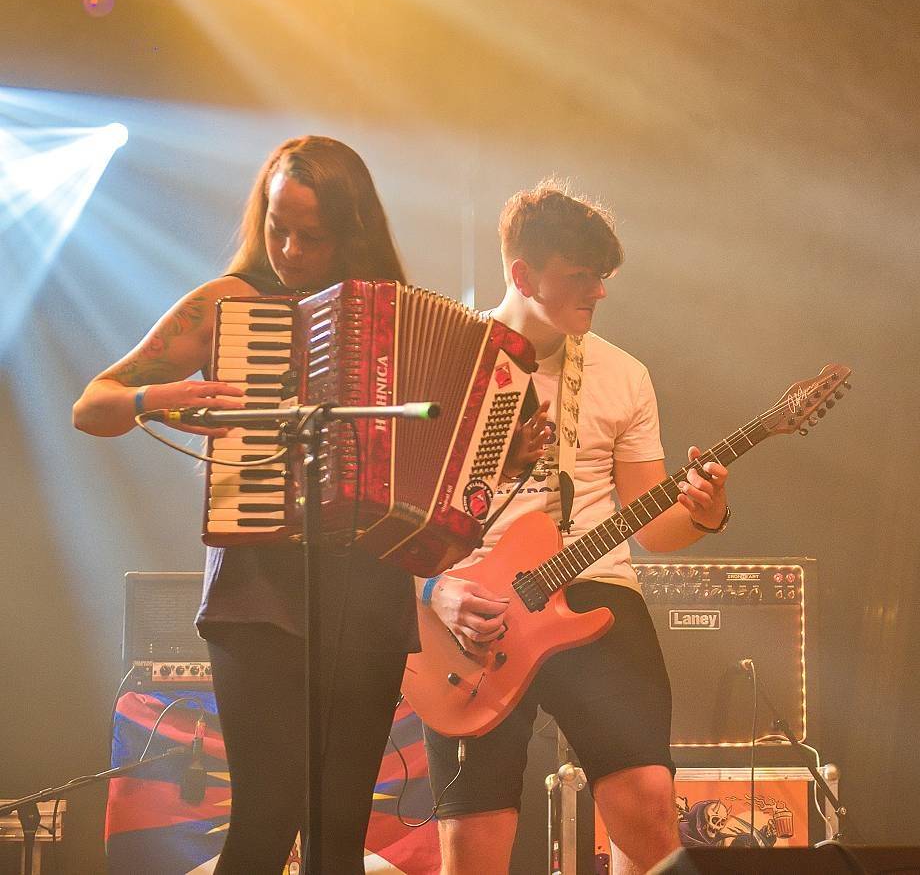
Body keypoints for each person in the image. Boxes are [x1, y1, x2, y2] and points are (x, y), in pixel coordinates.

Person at [73, 135, 413, 873]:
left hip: (367, 592)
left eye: (311, 235)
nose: (289, 249)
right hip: (257, 593)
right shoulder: (229, 305)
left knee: (340, 839)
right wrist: (160, 398)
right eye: (276, 225)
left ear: (350, 233)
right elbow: (91, 404)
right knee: (264, 822)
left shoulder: (394, 317)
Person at [419, 181, 731, 875]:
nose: (598, 292)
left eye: (602, 278)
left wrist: (703, 515)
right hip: (473, 615)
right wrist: (434, 591)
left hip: (596, 592)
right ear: (522, 275)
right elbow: (392, 516)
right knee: (471, 850)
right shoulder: (446, 360)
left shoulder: (624, 374)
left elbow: (652, 522)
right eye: (579, 277)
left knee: (650, 809)